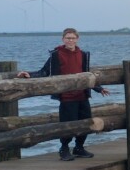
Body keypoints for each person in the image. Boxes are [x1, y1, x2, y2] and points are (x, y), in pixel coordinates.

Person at [18, 27, 111, 161]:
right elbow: (45, 71)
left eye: (73, 38)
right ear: (63, 39)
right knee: (67, 124)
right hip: (67, 97)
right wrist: (28, 75)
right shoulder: (56, 54)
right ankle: (64, 149)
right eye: (68, 38)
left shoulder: (84, 54)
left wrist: (99, 88)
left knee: (86, 123)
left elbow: (87, 75)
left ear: (77, 39)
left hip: (82, 95)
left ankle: (79, 148)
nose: (70, 40)